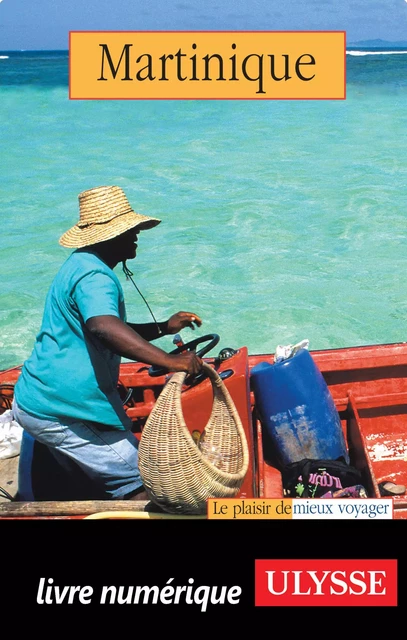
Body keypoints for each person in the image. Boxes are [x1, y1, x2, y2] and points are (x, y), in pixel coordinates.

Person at [12, 185, 203, 501]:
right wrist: (171, 362)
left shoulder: (80, 263)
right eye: (130, 230)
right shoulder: (95, 276)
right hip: (60, 410)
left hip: (38, 397)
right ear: (109, 237)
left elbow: (107, 327)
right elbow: (103, 327)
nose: (136, 235)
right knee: (147, 484)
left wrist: (164, 327)